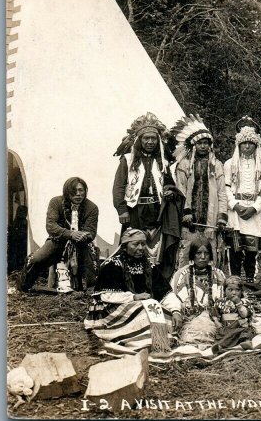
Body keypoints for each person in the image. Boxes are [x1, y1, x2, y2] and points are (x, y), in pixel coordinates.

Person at [112, 112, 180, 296]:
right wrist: (121, 209)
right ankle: (131, 286)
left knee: (158, 250)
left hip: (158, 210)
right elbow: (119, 186)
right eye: (146, 138)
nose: (150, 142)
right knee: (133, 246)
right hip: (135, 210)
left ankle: (157, 286)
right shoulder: (127, 160)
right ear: (139, 140)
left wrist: (169, 190)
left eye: (153, 138)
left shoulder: (163, 161)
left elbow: (170, 184)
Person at [19, 177, 98, 292]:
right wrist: (70, 234)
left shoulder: (92, 207)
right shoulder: (56, 202)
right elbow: (51, 226)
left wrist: (82, 236)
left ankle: (90, 290)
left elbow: (91, 231)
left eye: (81, 190)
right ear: (66, 192)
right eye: (74, 191)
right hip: (58, 241)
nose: (78, 194)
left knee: (91, 268)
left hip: (81, 244)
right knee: (35, 259)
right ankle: (24, 287)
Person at [171, 115, 228, 268]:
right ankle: (184, 281)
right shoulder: (184, 164)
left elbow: (222, 192)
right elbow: (181, 189)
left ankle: (211, 282)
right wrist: (186, 211)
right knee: (187, 252)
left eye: (206, 143)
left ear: (210, 145)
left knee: (209, 253)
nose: (203, 146)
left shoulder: (216, 165)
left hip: (210, 220)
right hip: (190, 221)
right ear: (194, 145)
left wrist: (222, 216)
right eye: (200, 143)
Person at [224, 125, 261, 284]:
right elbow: (226, 188)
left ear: (256, 145)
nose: (247, 146)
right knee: (235, 249)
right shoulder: (230, 164)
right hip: (235, 211)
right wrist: (235, 205)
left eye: (251, 143)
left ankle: (250, 279)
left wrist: (255, 208)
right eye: (244, 143)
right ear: (239, 145)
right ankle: (235, 279)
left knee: (252, 249)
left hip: (254, 211)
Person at [161, 236, 227, 337]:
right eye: (198, 253)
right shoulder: (181, 275)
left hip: (214, 318)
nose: (203, 257)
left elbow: (225, 299)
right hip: (186, 317)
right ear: (192, 255)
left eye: (206, 253)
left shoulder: (219, 274)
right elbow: (171, 298)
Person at [210, 275, 255, 353]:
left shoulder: (245, 302)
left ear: (241, 291)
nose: (234, 293)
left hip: (240, 327)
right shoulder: (220, 302)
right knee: (223, 334)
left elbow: (245, 314)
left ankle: (246, 342)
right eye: (230, 290)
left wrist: (238, 303)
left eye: (237, 290)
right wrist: (217, 323)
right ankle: (220, 346)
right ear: (224, 290)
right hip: (226, 328)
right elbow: (215, 315)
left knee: (246, 331)